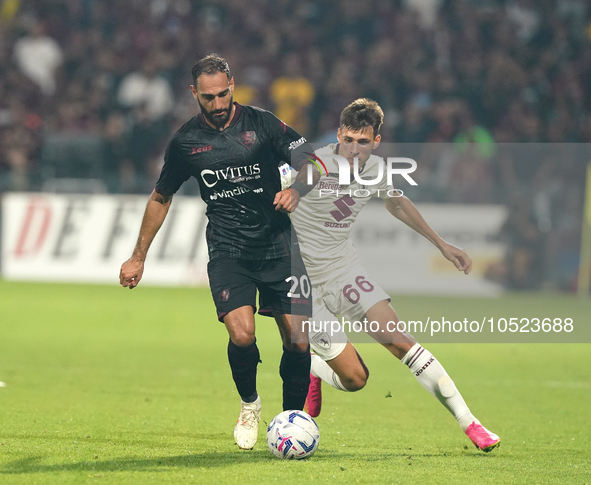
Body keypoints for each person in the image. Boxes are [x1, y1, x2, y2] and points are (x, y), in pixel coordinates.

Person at [119, 54, 319, 450]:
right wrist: (138, 255)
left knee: (297, 341)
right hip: (229, 249)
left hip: (279, 245)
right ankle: (250, 404)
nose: (218, 104)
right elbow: (161, 196)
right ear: (195, 93)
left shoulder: (262, 123)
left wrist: (297, 189)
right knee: (242, 335)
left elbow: (312, 160)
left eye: (224, 94)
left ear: (233, 85)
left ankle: (290, 421)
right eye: (208, 97)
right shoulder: (185, 142)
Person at [288, 98, 501, 452]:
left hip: (344, 269)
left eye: (364, 141)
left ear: (377, 141)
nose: (355, 149)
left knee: (402, 341)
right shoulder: (315, 163)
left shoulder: (377, 171)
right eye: (349, 140)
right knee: (356, 380)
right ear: (339, 134)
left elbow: (397, 203)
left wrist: (442, 245)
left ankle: (471, 424)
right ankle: (317, 369)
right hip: (303, 283)